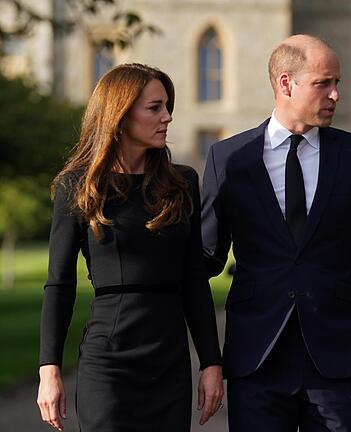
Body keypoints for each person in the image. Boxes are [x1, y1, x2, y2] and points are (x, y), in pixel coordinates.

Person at [200, 34, 351, 431]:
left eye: (337, 82)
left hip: (340, 363)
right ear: (286, 84)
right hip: (257, 359)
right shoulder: (229, 159)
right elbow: (204, 259)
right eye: (324, 83)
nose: (336, 94)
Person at [36, 63, 223, 431]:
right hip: (108, 361)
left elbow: (194, 281)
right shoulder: (78, 185)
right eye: (154, 108)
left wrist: (211, 363)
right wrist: (49, 370)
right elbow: (59, 284)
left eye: (168, 106)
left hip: (169, 361)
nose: (167, 117)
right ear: (120, 115)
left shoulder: (182, 183)